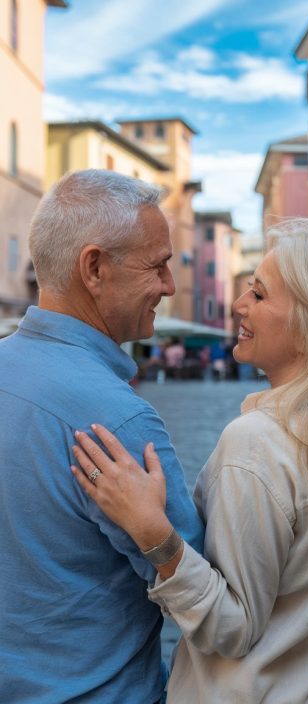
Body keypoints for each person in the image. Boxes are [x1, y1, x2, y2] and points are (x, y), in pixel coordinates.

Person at [71, 220, 308, 704]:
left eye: (258, 295)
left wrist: (152, 532)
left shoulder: (258, 443)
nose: (238, 305)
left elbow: (230, 629)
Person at [0, 170, 204, 703]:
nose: (169, 285)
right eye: (157, 265)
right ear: (94, 268)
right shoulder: (118, 420)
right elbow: (201, 594)